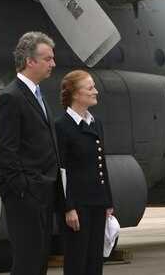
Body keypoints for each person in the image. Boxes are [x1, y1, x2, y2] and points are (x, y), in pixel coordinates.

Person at [0, 31, 62, 275]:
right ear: (29, 61)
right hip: (27, 195)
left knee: (39, 261)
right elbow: (6, 150)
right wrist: (24, 189)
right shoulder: (10, 98)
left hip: (43, 191)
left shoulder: (38, 95)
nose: (53, 64)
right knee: (27, 262)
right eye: (47, 59)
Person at [55, 70, 114, 275]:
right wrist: (68, 207)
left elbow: (101, 164)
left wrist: (108, 201)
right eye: (89, 88)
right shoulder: (61, 126)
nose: (95, 91)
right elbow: (60, 171)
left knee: (94, 261)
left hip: (97, 202)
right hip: (77, 206)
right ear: (75, 94)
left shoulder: (95, 123)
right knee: (77, 261)